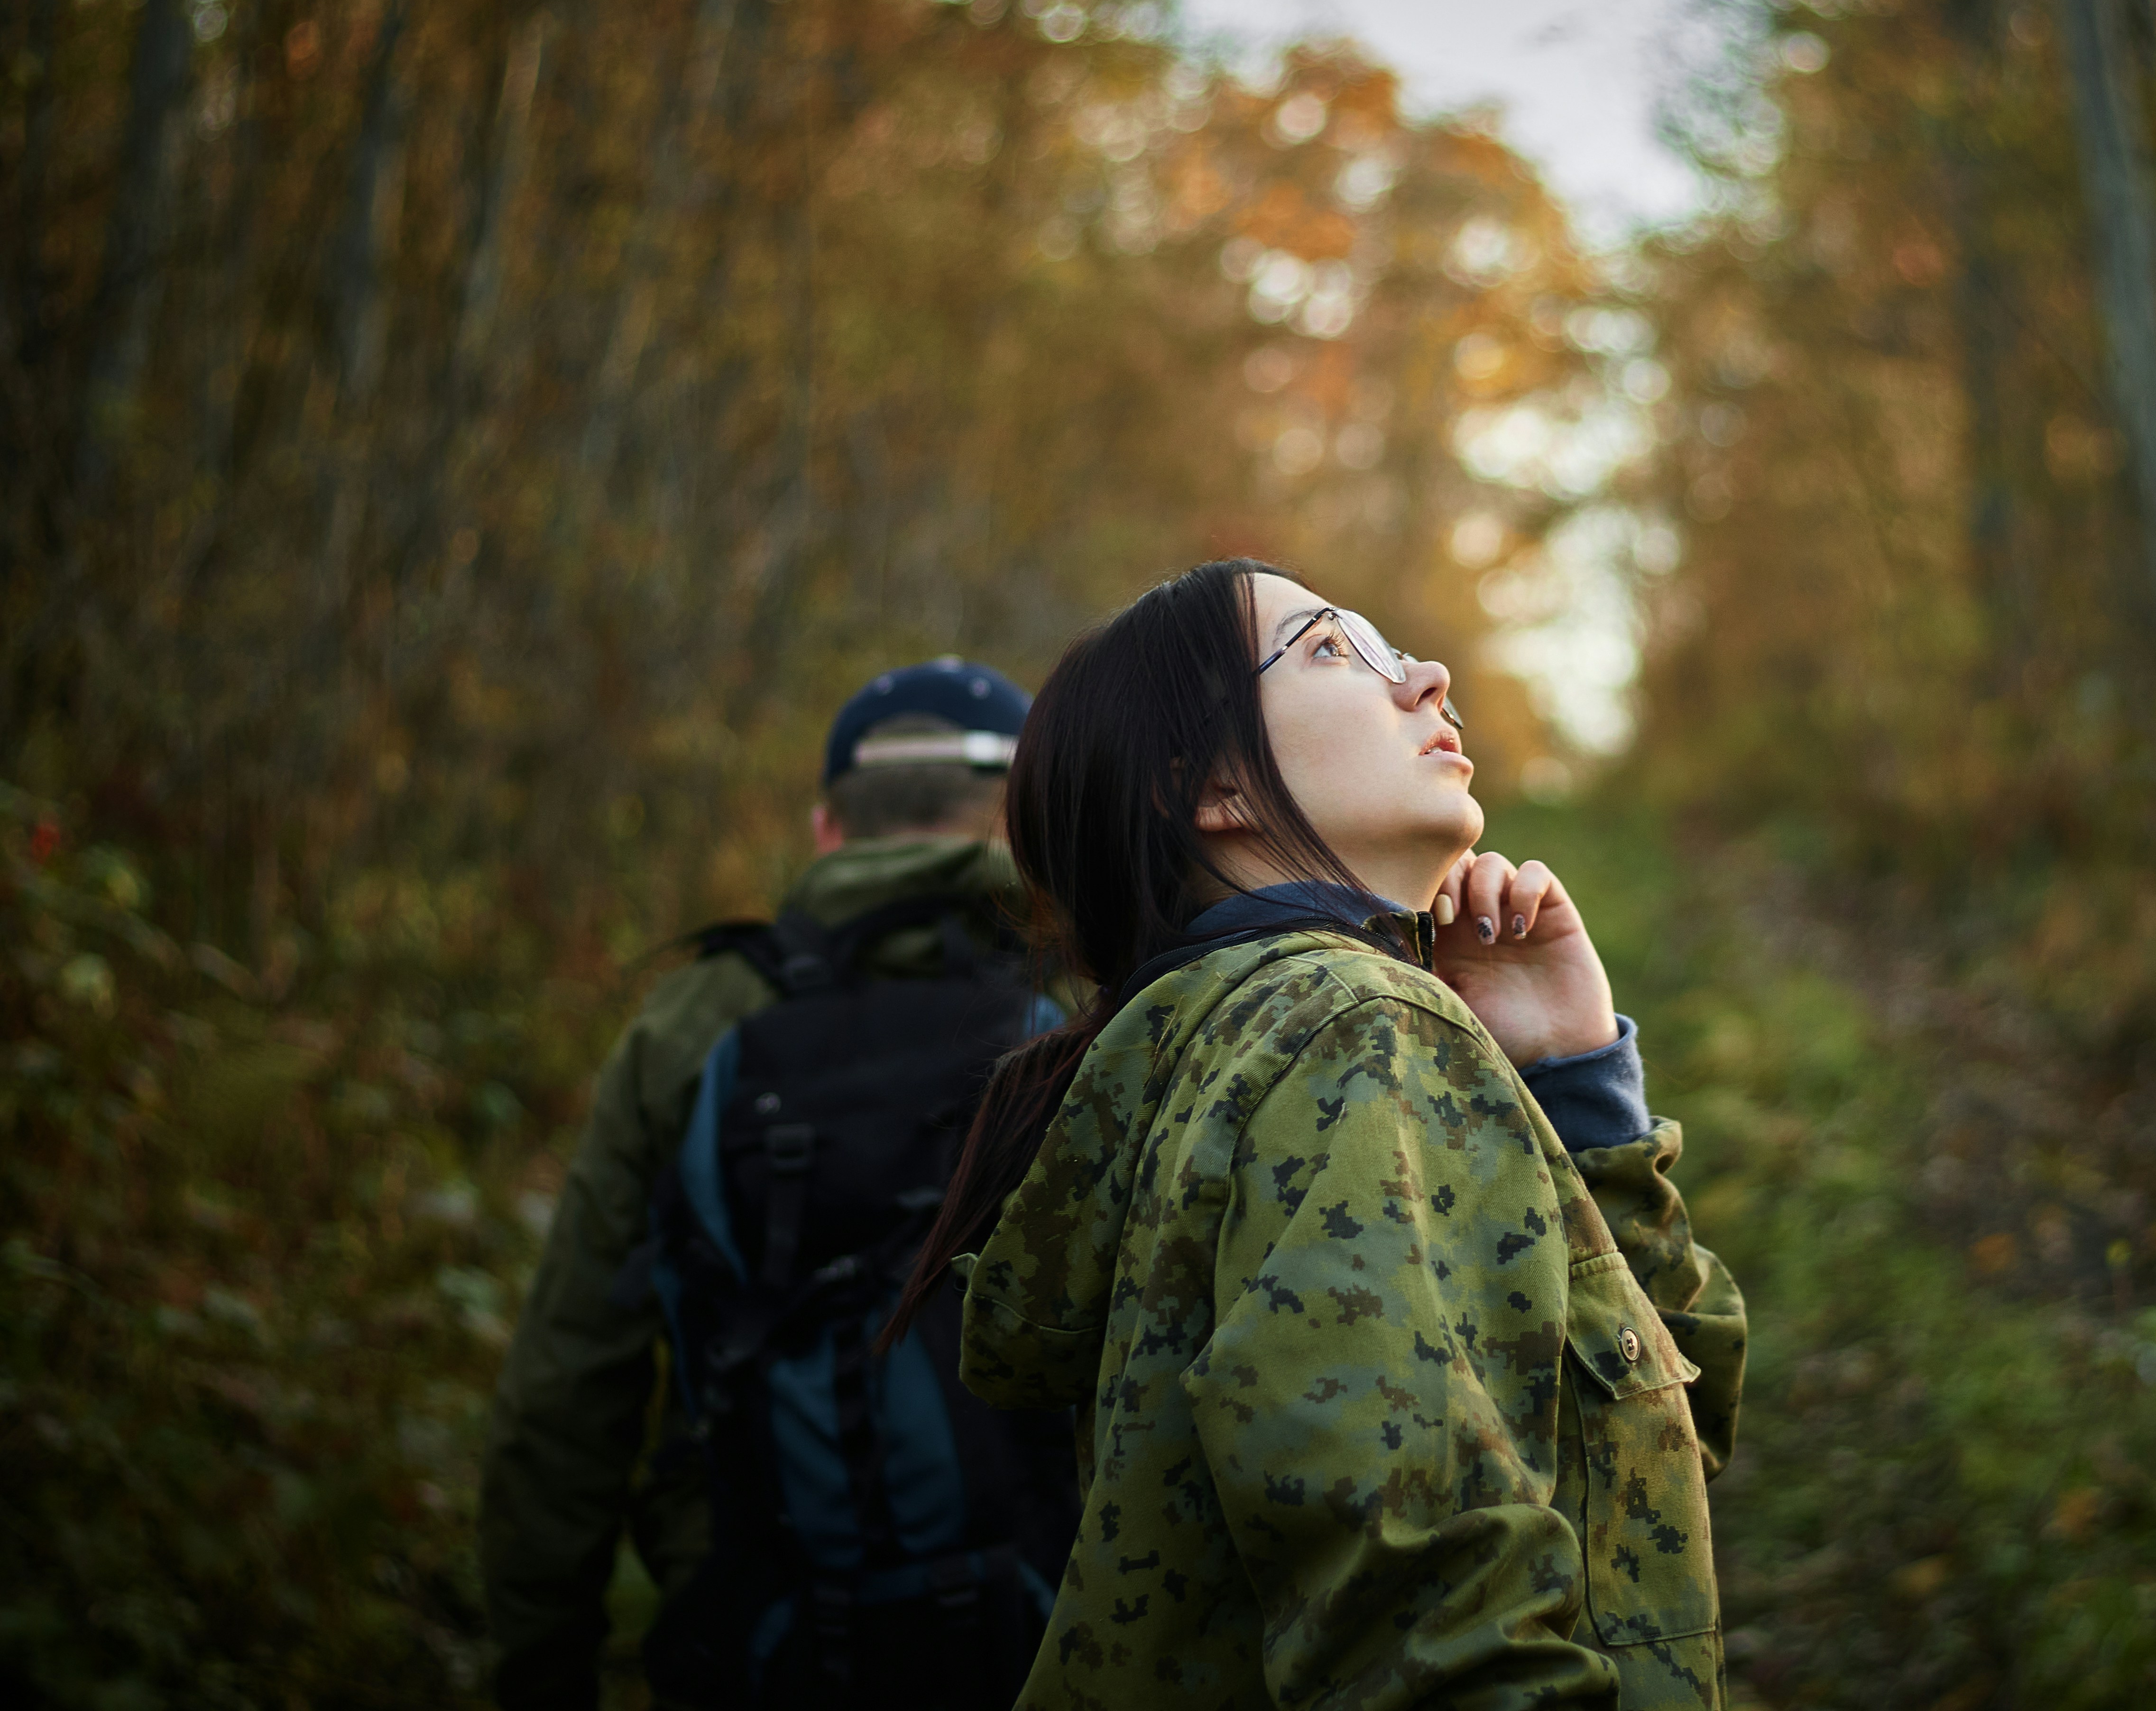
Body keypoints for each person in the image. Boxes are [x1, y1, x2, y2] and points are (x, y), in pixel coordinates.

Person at [891, 559, 1748, 1709]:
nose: (1429, 677)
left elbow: (1644, 1466)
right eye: (1336, 650)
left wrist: (1574, 1078)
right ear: (1213, 786)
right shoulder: (1348, 1033)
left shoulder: (1218, 1045)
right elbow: (1420, 1623)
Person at [482, 659, 1074, 1710]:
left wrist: (542, 1670)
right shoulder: (1097, 999)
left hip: (759, 1637)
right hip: (1069, 1642)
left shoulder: (693, 1021)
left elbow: (567, 1390)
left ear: (827, 829)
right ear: (1025, 826)